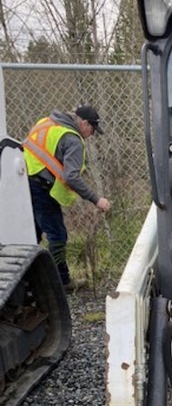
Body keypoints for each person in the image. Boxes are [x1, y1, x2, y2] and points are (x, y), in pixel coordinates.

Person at [23, 105, 111, 292]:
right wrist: (96, 199)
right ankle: (60, 282)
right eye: (92, 129)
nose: (92, 134)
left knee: (32, 233)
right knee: (57, 235)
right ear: (84, 123)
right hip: (43, 188)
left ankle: (25, 279)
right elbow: (72, 176)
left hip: (24, 182)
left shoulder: (46, 123)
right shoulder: (73, 140)